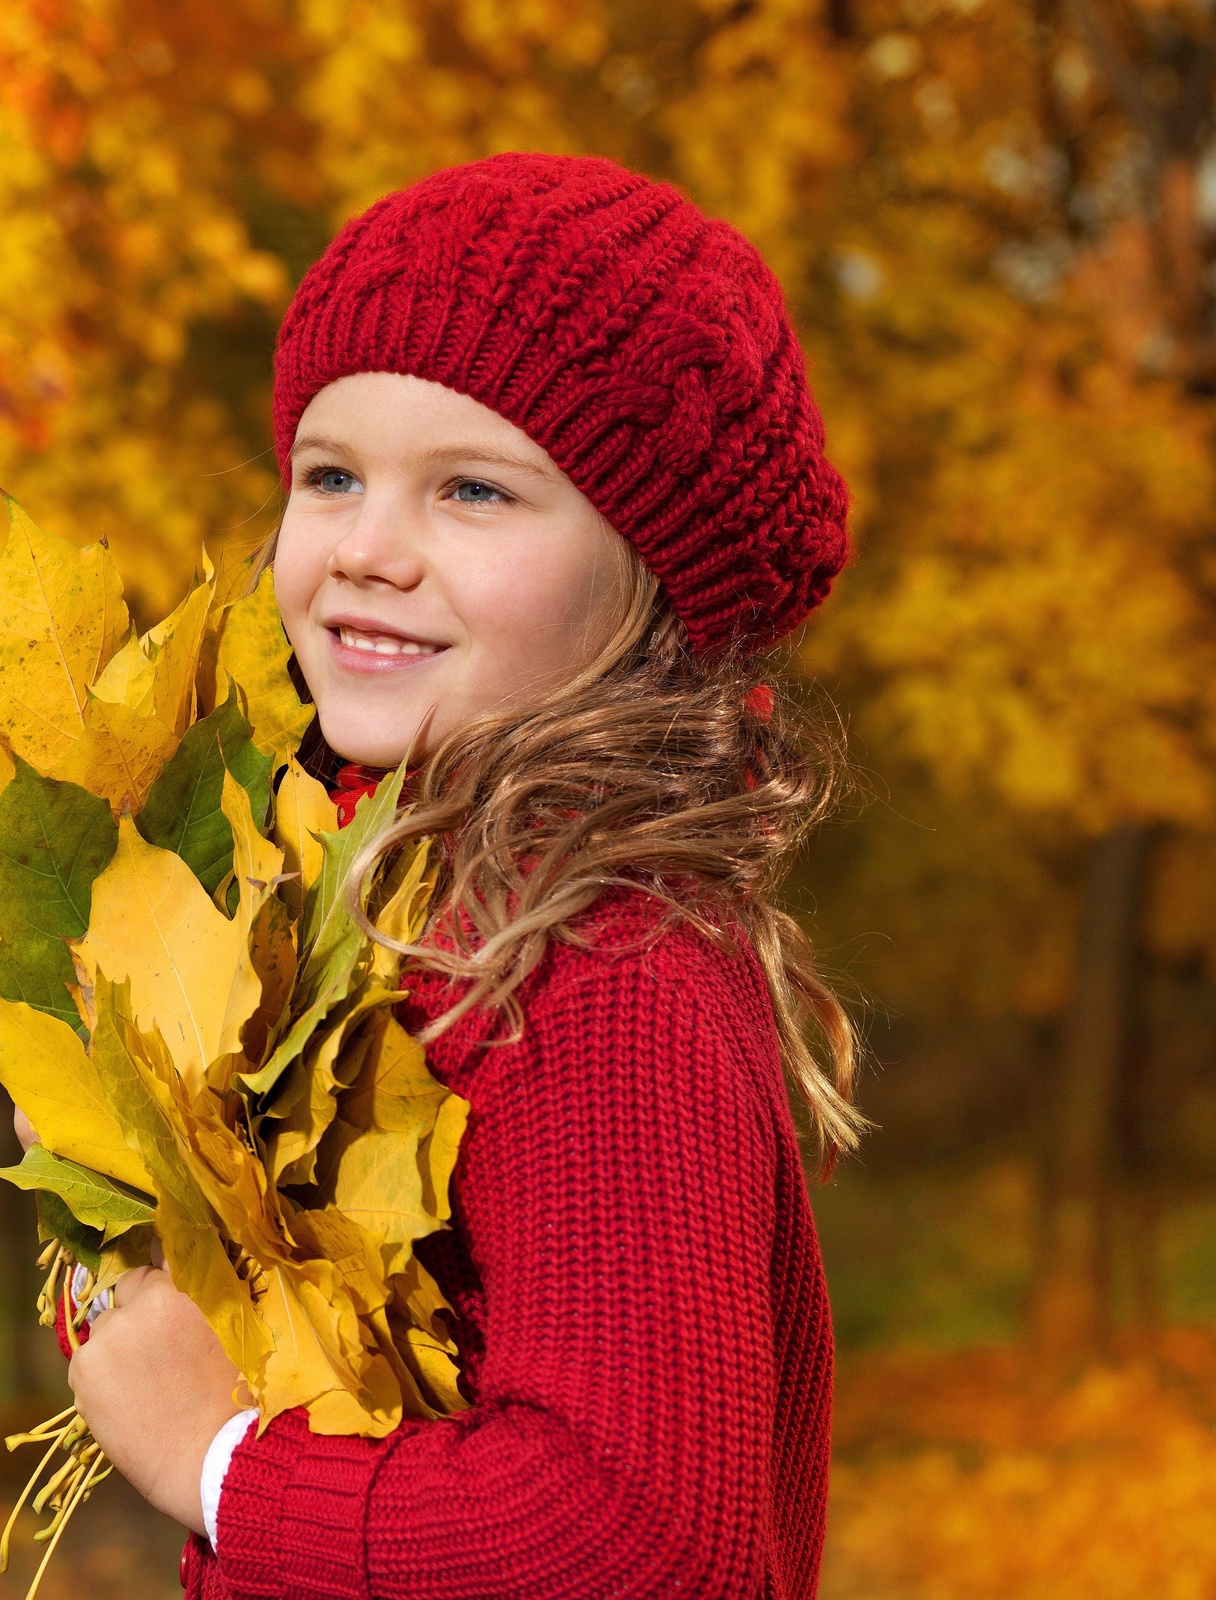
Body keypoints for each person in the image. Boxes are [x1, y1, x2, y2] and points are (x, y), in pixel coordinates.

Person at [50, 152, 866, 1598]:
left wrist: (219, 1461)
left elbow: (643, 1539)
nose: (369, 549)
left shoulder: (607, 962)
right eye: (333, 474)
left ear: (654, 581)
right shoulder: (350, 898)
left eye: (475, 493)